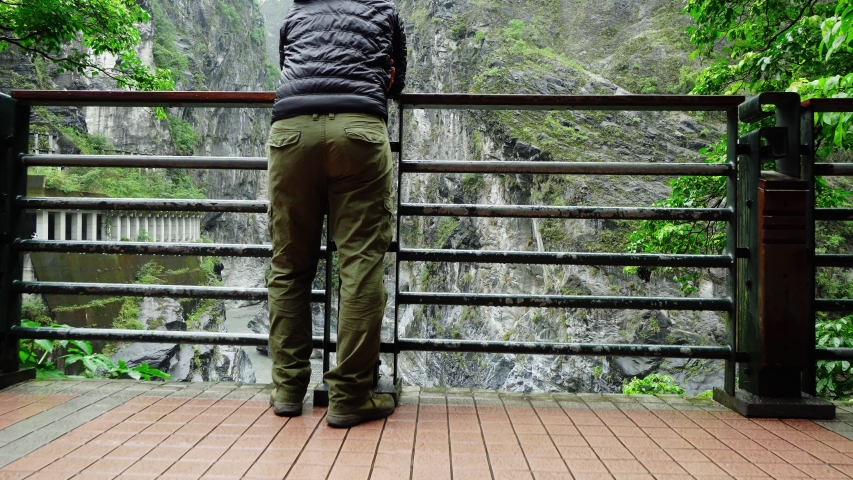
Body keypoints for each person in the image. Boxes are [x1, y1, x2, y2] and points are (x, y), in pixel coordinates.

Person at [266, 0, 407, 428]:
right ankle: (349, 396)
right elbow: (395, 80)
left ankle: (288, 390)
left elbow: (289, 64)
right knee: (360, 266)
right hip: (359, 131)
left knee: (289, 265)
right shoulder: (384, 12)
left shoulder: (295, 14)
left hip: (291, 132)